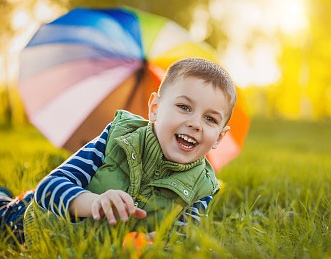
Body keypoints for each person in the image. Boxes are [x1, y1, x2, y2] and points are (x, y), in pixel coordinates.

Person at [0, 57, 237, 246]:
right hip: (31, 226)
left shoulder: (202, 186)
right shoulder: (117, 137)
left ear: (219, 137)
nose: (196, 123)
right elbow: (48, 189)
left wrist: (153, 244)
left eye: (210, 119)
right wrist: (95, 202)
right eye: (184, 107)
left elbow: (181, 236)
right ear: (154, 108)